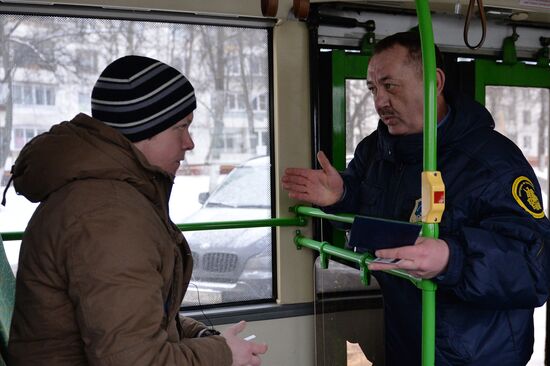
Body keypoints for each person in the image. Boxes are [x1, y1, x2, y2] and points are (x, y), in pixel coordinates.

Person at [282, 31, 550, 365]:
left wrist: (452, 258)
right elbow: (372, 206)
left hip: (472, 354)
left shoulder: (492, 162)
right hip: (401, 343)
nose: (379, 101)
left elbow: (535, 264)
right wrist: (342, 195)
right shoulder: (375, 151)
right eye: (373, 88)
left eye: (390, 86)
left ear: (434, 82)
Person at [7, 55, 267, 366]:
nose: (190, 142)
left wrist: (198, 337)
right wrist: (222, 355)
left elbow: (130, 317)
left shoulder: (111, 196)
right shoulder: (108, 215)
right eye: (181, 127)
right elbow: (135, 360)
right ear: (144, 129)